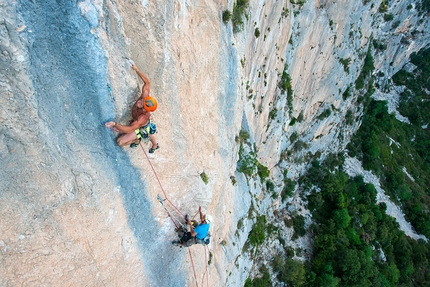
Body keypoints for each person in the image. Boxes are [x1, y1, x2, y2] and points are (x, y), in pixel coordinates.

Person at [105, 63, 160, 153]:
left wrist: (115, 124)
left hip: (140, 127)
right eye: (142, 100)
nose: (139, 101)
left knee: (120, 142)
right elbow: (147, 82)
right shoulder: (145, 97)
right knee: (146, 131)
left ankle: (137, 140)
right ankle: (151, 144)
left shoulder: (142, 118)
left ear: (146, 110)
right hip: (137, 122)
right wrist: (136, 69)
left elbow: (130, 129)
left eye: (142, 104)